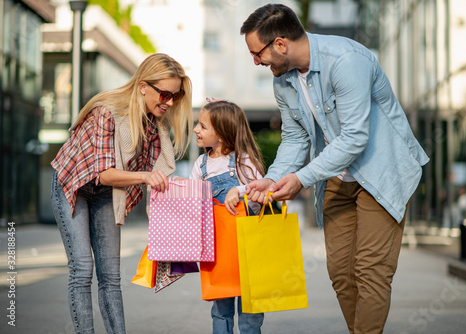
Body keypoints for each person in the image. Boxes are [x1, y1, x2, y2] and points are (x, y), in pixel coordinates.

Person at [240, 4, 429, 334]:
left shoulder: (345, 60)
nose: (256, 61)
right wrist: (270, 180)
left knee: (371, 270)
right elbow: (295, 137)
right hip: (337, 179)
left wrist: (302, 178)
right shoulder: (284, 81)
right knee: (341, 273)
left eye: (258, 53)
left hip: (381, 173)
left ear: (280, 44)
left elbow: (355, 137)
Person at [50, 53, 192, 334]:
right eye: (164, 93)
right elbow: (104, 172)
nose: (169, 102)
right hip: (73, 183)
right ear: (143, 86)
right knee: (82, 269)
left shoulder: (155, 125)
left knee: (111, 277)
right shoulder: (107, 111)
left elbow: (157, 177)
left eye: (175, 96)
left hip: (107, 191)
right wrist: (144, 177)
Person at [189, 99, 265, 334]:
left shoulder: (244, 161)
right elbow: (192, 203)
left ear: (221, 134)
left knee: (250, 312)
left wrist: (239, 191)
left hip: (248, 248)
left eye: (202, 126)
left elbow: (263, 190)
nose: (196, 129)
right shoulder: (201, 164)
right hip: (217, 249)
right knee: (220, 311)